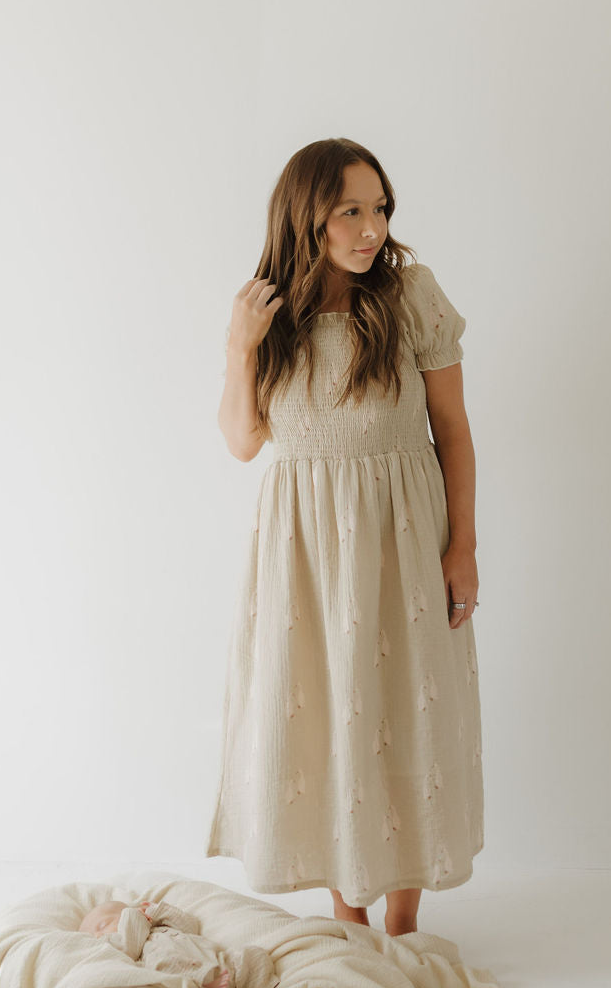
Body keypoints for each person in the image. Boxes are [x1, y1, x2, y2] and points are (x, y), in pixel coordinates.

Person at [205, 138, 482, 937]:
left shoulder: (411, 296)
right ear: (307, 218)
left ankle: (402, 926)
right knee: (329, 718)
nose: (372, 228)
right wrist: (239, 347)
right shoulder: (268, 312)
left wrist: (462, 546)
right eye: (350, 211)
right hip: (304, 553)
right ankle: (349, 924)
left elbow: (454, 432)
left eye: (381, 208)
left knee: (404, 712)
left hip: (403, 540)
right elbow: (242, 440)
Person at [77, 897, 279, 988]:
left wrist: (155, 911)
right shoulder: (121, 943)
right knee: (169, 965)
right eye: (95, 936)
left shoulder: (159, 925)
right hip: (177, 968)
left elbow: (188, 925)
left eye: (102, 925)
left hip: (216, 959)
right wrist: (133, 917)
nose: (98, 936)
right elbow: (129, 947)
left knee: (254, 954)